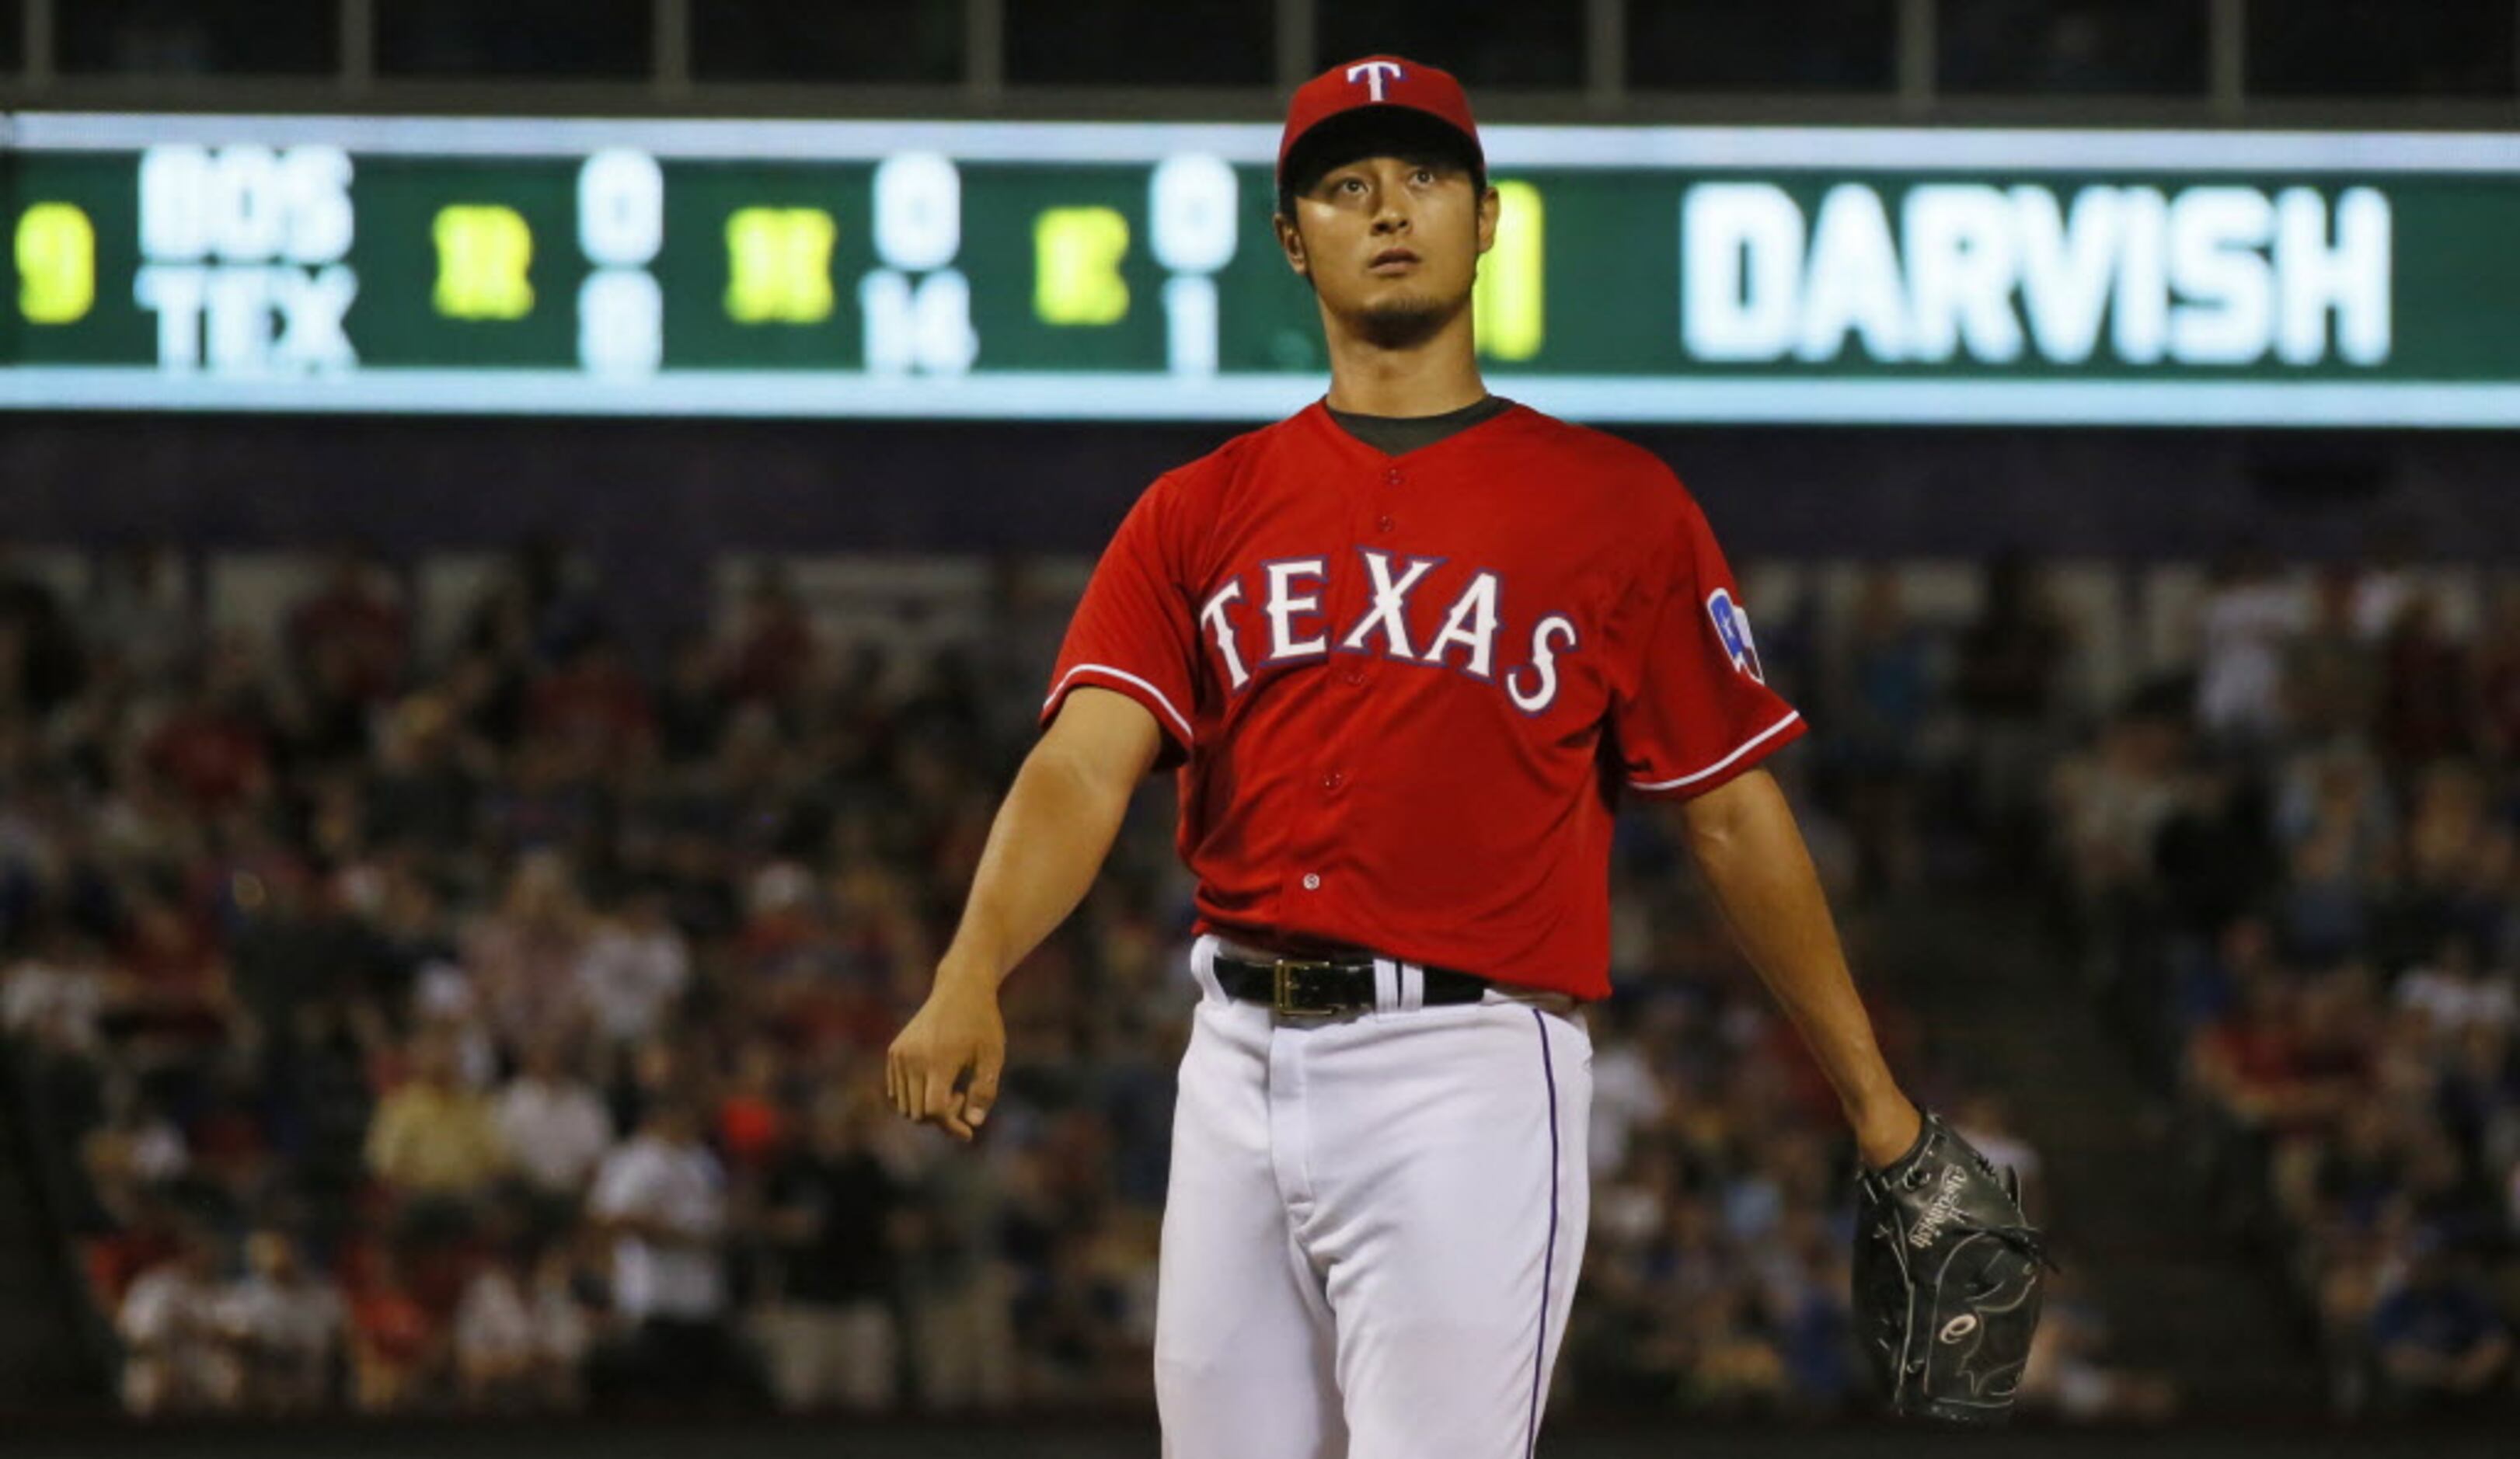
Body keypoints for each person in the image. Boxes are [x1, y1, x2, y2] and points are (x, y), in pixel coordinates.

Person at [887, 55, 1926, 1458]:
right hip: (1234, 1057)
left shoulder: (1619, 506)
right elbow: (1080, 767)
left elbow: (1734, 816)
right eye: (1347, 184)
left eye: (1427, 177)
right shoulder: (1196, 512)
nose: (1391, 210)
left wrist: (1878, 1109)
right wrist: (971, 967)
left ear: (1488, 218)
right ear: (1291, 237)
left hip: (1472, 1064)